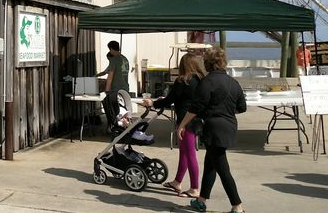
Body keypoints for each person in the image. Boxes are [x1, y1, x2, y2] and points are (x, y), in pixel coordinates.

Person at [178, 48, 246, 213]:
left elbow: (195, 107)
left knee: (223, 170)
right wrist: (225, 111)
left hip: (214, 128)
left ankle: (237, 207)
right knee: (210, 164)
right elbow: (241, 107)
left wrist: (182, 125)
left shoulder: (207, 82)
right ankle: (201, 201)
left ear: (208, 64)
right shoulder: (233, 82)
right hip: (229, 126)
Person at [140, 52, 206, 198]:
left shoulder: (183, 81)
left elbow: (170, 99)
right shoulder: (201, 81)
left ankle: (195, 188)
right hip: (197, 121)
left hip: (185, 122)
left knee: (190, 155)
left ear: (184, 66)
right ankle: (177, 182)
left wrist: (153, 103)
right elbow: (178, 98)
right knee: (184, 152)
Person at [96, 40, 130, 132]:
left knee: (113, 110)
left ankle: (113, 127)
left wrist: (106, 90)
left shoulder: (114, 59)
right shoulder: (125, 59)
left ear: (111, 48)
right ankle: (125, 128)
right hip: (125, 88)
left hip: (116, 89)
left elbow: (110, 76)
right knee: (123, 110)